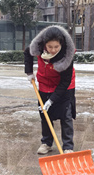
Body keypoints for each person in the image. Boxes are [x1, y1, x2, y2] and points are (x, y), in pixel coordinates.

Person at [24, 25, 76, 155]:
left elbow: (65, 82)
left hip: (64, 86)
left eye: (56, 47)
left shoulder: (67, 57)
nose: (53, 50)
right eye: (50, 47)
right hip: (44, 84)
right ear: (44, 45)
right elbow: (27, 52)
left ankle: (68, 146)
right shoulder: (38, 48)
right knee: (45, 115)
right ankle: (46, 143)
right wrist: (29, 72)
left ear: (61, 44)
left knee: (66, 116)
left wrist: (52, 100)